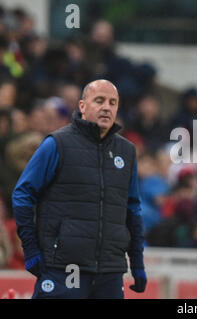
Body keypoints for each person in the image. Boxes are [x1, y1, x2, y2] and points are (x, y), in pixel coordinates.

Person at [12, 79, 147, 299]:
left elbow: (133, 209)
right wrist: (31, 249)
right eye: (99, 100)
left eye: (113, 102)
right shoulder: (57, 144)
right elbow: (22, 194)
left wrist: (137, 262)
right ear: (82, 106)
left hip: (110, 271)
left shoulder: (127, 152)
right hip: (64, 266)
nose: (106, 107)